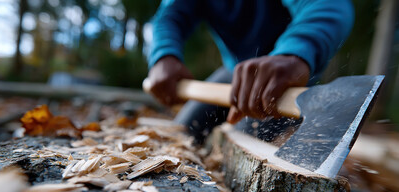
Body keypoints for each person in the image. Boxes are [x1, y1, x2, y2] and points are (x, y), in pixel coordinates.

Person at [146, 0, 354, 144]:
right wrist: (163, 55)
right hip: (232, 73)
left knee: (239, 144)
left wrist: (295, 53)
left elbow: (328, 4)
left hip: (286, 83)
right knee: (178, 134)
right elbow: (169, 17)